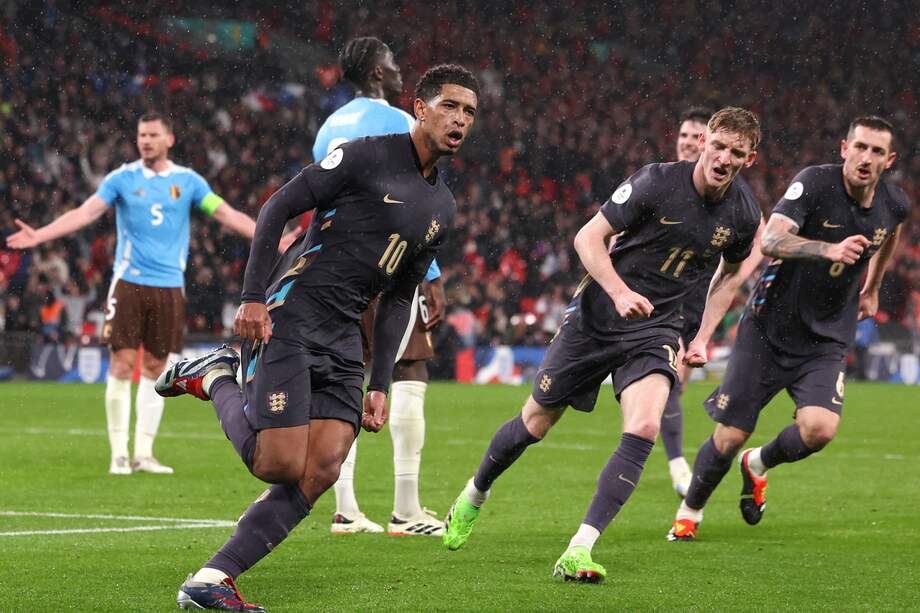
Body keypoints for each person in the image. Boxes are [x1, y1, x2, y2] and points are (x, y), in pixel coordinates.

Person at [156, 64, 479, 611]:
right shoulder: (365, 155)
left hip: (347, 336)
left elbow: (400, 296)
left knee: (324, 466)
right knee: (277, 464)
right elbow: (276, 207)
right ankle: (213, 376)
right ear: (420, 108)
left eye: (470, 112)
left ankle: (211, 579)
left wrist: (382, 383)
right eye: (451, 106)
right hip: (295, 313)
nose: (461, 120)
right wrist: (252, 297)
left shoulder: (441, 207)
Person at [443, 107, 763, 583]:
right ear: (703, 142)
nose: (723, 158)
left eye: (736, 153)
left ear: (749, 159)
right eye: (718, 145)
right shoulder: (656, 183)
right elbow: (588, 237)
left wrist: (701, 335)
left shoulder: (743, 213)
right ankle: (474, 493)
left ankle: (579, 548)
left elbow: (732, 273)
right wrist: (619, 291)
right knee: (536, 421)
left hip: (658, 329)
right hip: (596, 319)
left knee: (645, 423)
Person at [667, 116, 909, 542]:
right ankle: (691, 510)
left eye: (876, 151)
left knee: (820, 430)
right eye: (859, 147)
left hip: (826, 338)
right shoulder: (814, 184)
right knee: (729, 435)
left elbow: (889, 232)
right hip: (768, 328)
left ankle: (757, 463)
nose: (865, 158)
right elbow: (771, 241)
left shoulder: (894, 203)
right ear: (843, 148)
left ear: (889, 160)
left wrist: (872, 289)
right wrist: (826, 248)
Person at [6, 112, 259, 475]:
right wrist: (41, 235)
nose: (145, 141)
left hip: (171, 286)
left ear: (169, 139)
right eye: (141, 135)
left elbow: (227, 214)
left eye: (153, 135)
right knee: (122, 365)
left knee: (158, 369)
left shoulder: (188, 182)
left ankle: (144, 453)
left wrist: (270, 238)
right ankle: (119, 455)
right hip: (130, 283)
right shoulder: (122, 179)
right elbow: (85, 212)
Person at [311, 36, 448, 536]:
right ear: (375, 74)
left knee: (345, 380)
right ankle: (406, 509)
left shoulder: (328, 127)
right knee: (409, 369)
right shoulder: (398, 122)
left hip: (335, 272)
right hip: (388, 268)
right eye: (392, 66)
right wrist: (430, 276)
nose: (398, 73)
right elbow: (416, 204)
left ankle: (345, 508)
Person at [659, 107, 766, 497]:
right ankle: (674, 462)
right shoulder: (660, 181)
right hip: (649, 295)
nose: (688, 142)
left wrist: (731, 275)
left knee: (671, 382)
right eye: (684, 136)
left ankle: (674, 462)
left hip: (694, 300)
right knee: (664, 381)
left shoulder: (737, 201)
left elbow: (759, 239)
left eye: (694, 135)